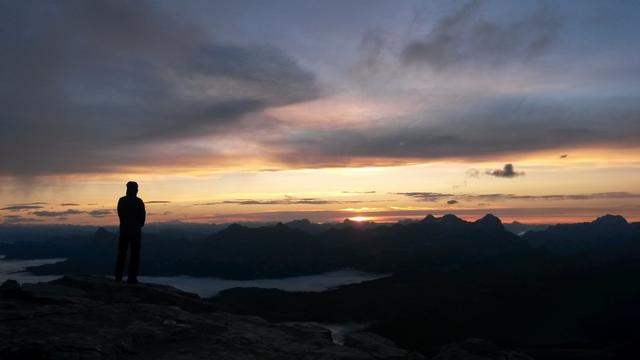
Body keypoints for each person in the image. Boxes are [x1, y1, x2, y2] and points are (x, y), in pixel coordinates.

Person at [114, 181, 146, 284]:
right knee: (134, 255)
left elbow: (121, 215)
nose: (137, 190)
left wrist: (127, 225)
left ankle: (118, 276)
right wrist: (136, 226)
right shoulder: (139, 202)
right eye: (136, 188)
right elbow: (142, 219)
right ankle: (132, 278)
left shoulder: (122, 201)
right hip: (135, 232)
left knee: (122, 254)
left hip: (124, 231)